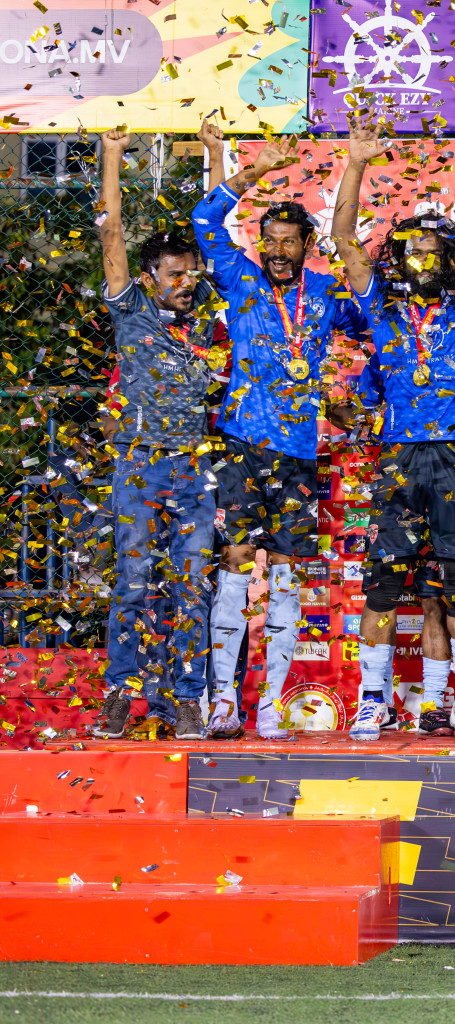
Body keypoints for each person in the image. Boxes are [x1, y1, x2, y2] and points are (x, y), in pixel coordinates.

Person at [331, 100, 455, 742]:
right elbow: (345, 243)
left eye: (435, 254)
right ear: (399, 260)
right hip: (399, 458)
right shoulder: (380, 311)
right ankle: (373, 700)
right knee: (383, 586)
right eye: (412, 254)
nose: (423, 263)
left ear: (451, 261)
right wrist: (354, 164)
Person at [192, 137, 368, 741]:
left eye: (289, 241)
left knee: (289, 576)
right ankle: (222, 702)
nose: (277, 250)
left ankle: (270, 704)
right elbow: (203, 219)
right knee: (237, 566)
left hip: (298, 452)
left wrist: (355, 395)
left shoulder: (325, 294)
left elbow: (381, 325)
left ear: (308, 247)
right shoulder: (239, 280)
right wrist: (254, 171)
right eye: (269, 240)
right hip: (241, 444)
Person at [90, 127, 220, 741]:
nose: (184, 283)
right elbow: (109, 231)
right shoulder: (131, 308)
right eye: (173, 274)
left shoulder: (211, 315)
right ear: (148, 276)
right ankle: (121, 695)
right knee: (135, 581)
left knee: (191, 587)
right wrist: (113, 154)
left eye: (190, 274)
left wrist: (217, 154)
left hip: (195, 468)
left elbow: (216, 226)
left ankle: (185, 701)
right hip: (140, 462)